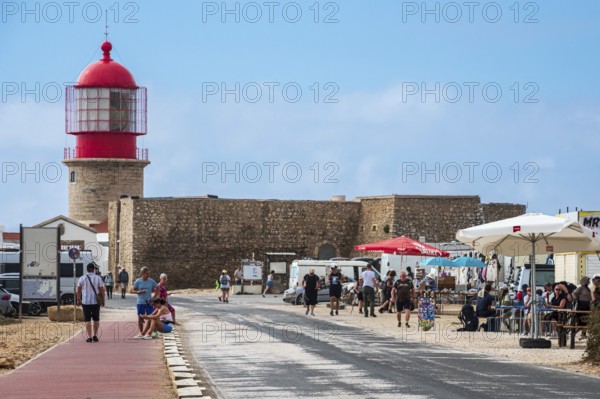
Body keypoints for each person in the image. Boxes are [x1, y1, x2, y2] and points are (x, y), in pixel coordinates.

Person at [76, 263, 106, 343]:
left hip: (85, 302)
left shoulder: (82, 278)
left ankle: (89, 337)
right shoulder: (98, 278)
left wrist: (78, 299)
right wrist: (103, 300)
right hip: (96, 302)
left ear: (87, 269)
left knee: (87, 320)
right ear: (93, 269)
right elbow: (101, 290)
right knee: (96, 319)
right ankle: (95, 335)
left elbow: (78, 290)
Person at [132, 267, 158, 336]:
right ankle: (141, 333)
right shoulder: (138, 281)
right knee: (140, 318)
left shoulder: (151, 281)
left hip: (149, 302)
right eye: (147, 273)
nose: (148, 275)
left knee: (152, 317)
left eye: (149, 273)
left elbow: (158, 288)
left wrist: (154, 297)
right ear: (142, 274)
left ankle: (154, 332)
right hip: (140, 302)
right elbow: (132, 290)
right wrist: (138, 292)